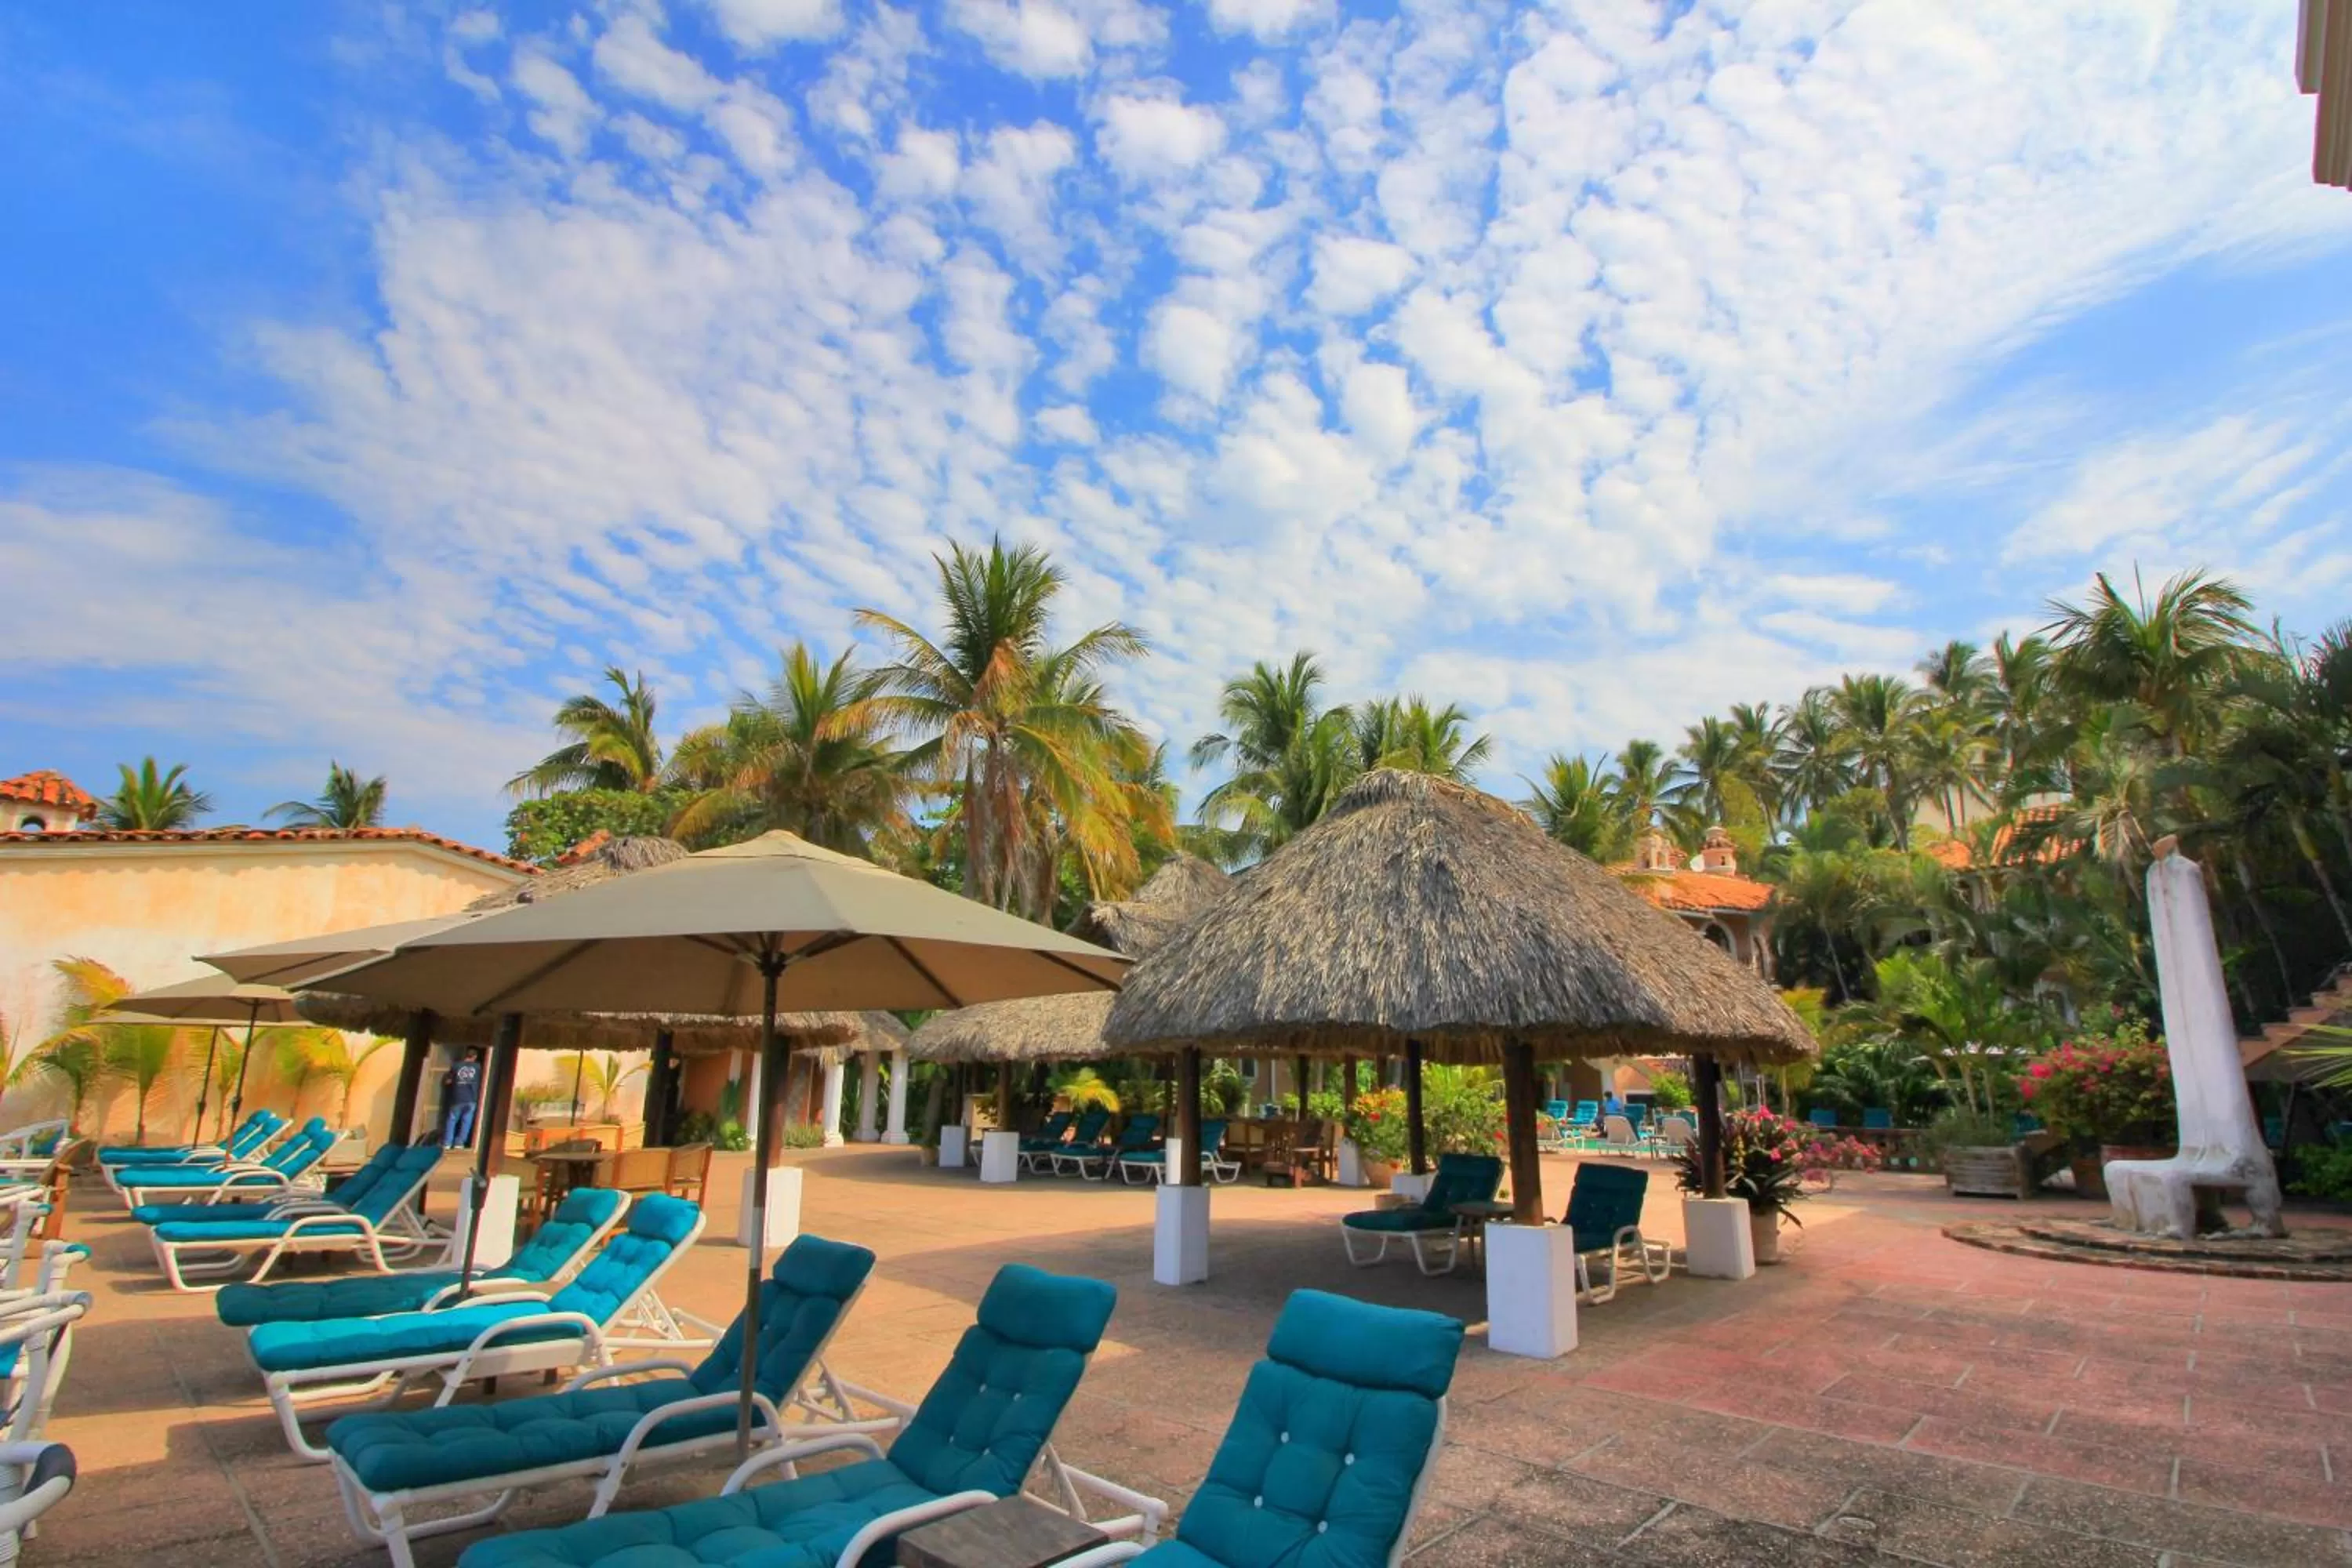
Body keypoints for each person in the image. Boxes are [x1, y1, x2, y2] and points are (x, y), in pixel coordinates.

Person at [442, 1047, 484, 1150]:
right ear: (475, 1057)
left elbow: (448, 1081)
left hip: (457, 1097)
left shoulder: (456, 1065)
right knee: (467, 1121)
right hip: (471, 1099)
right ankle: (459, 1144)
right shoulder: (478, 1067)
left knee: (452, 1120)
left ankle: (447, 1143)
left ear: (466, 1055)